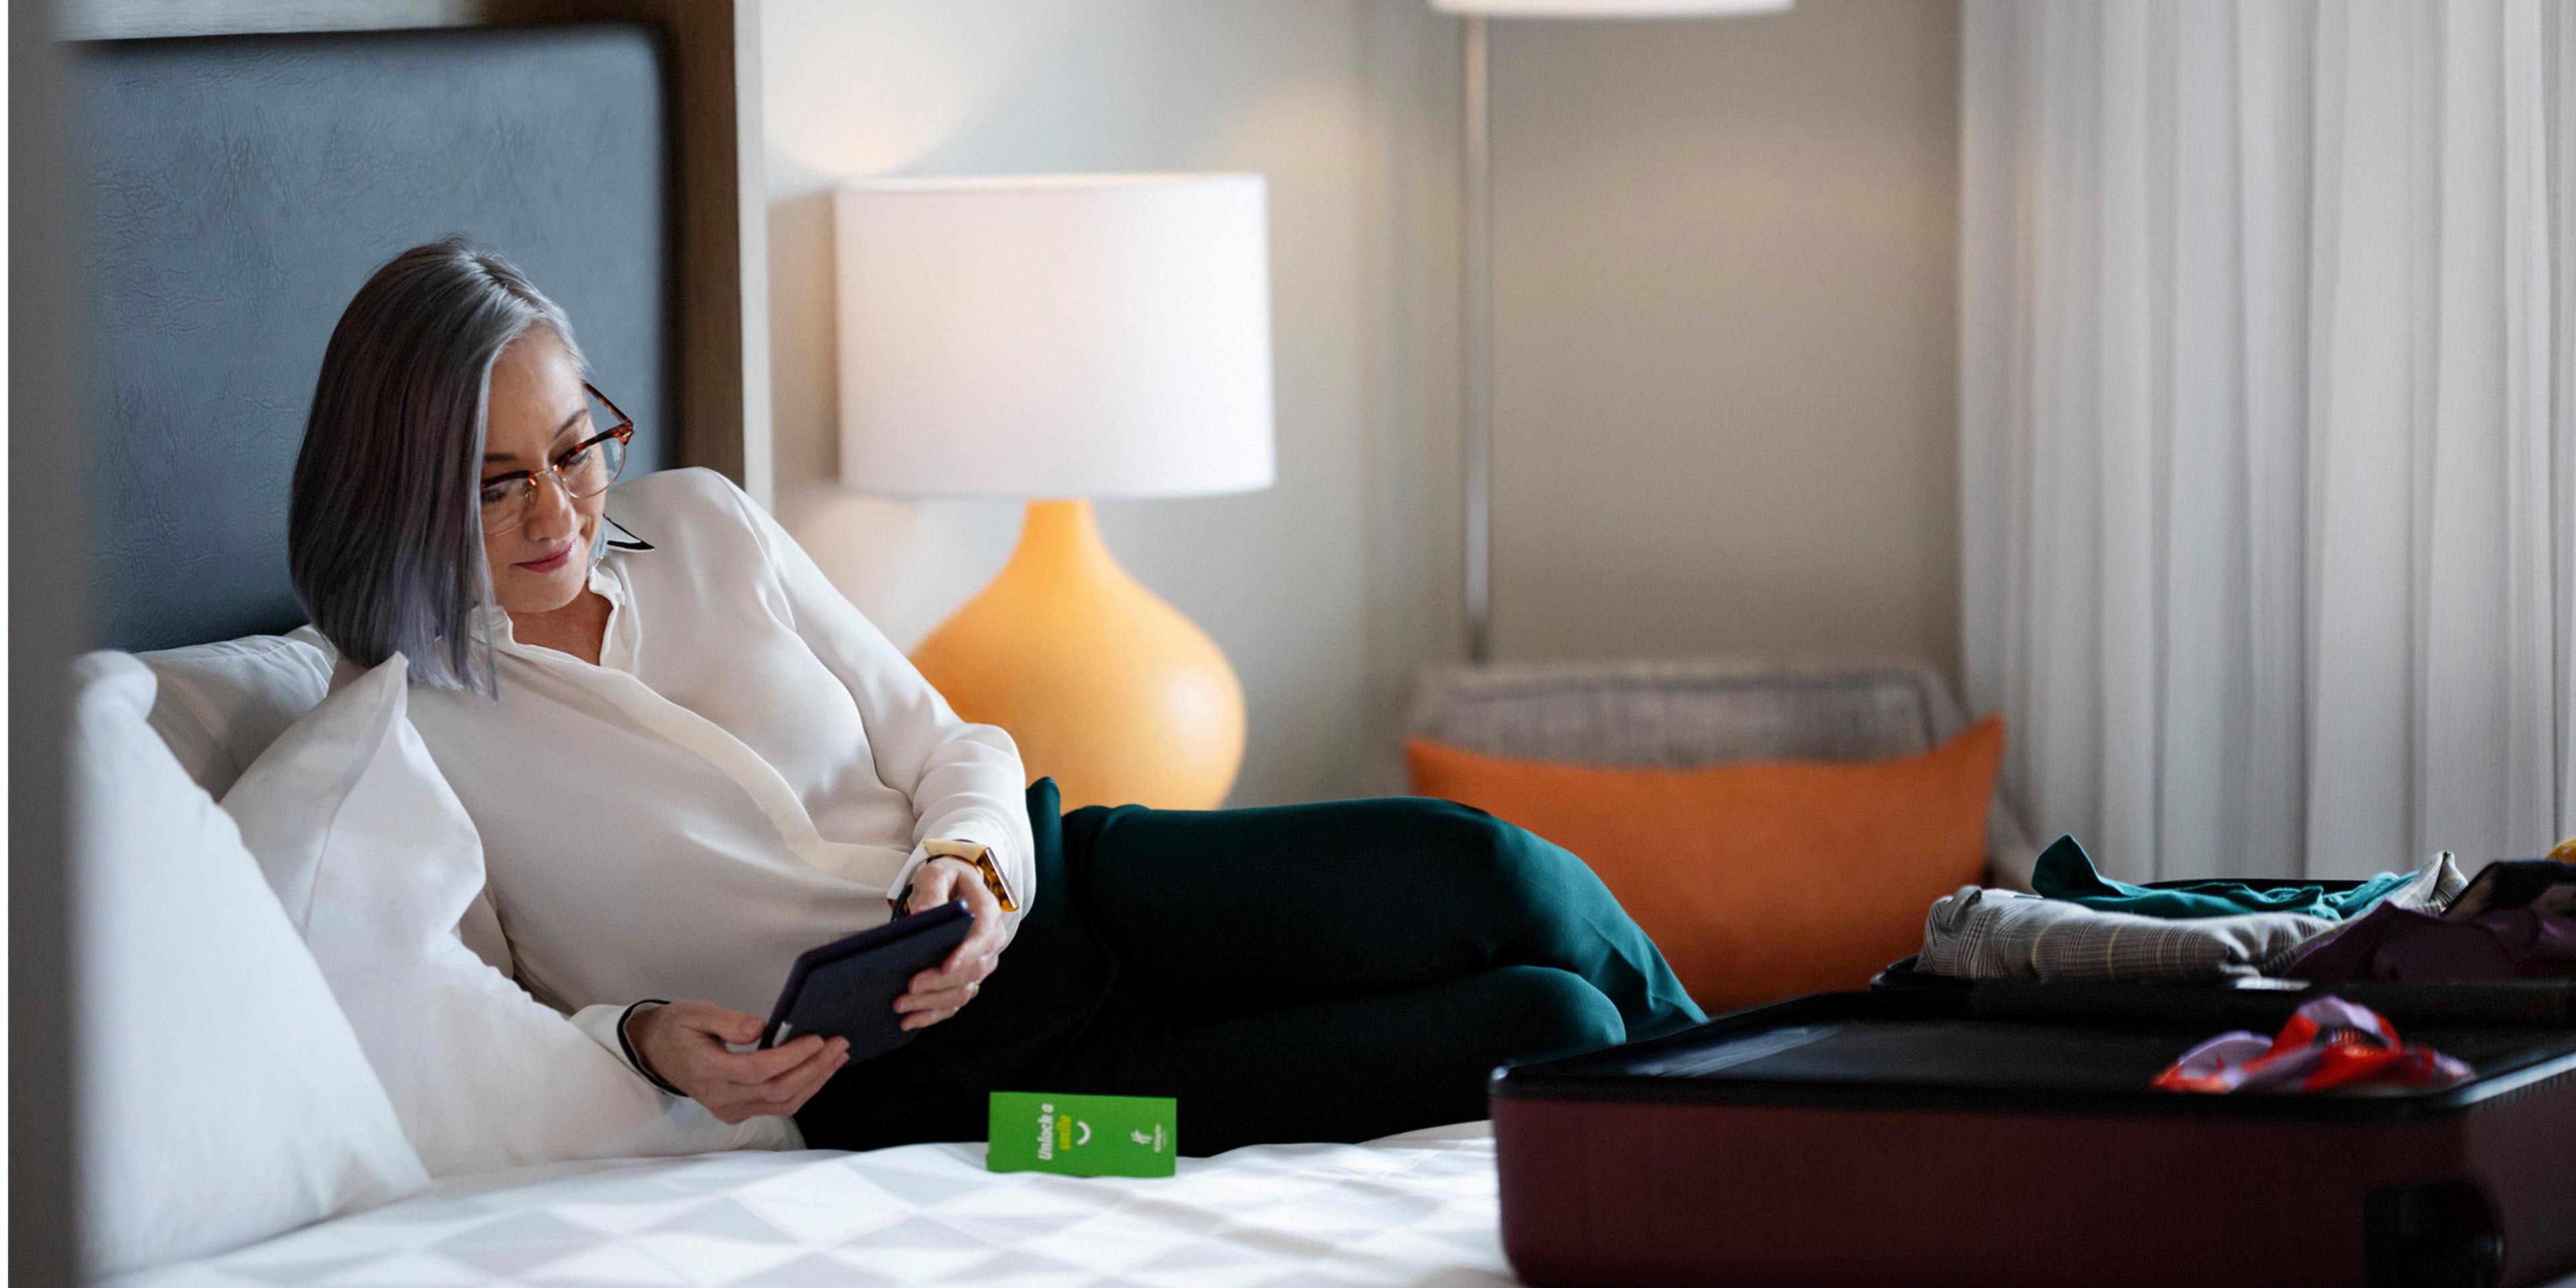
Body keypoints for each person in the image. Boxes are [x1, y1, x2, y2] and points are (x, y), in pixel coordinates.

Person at [288, 238, 1704, 1155]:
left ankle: (1778, 1103)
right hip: (955, 1106)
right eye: (495, 484)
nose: (559, 511)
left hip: (1067, 890)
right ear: (397, 486)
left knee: (1495, 873)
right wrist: (644, 1036)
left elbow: (945, 739)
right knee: (1551, 1030)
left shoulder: (705, 522)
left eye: (575, 449)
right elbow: (478, 1016)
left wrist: (968, 860)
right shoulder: (402, 729)